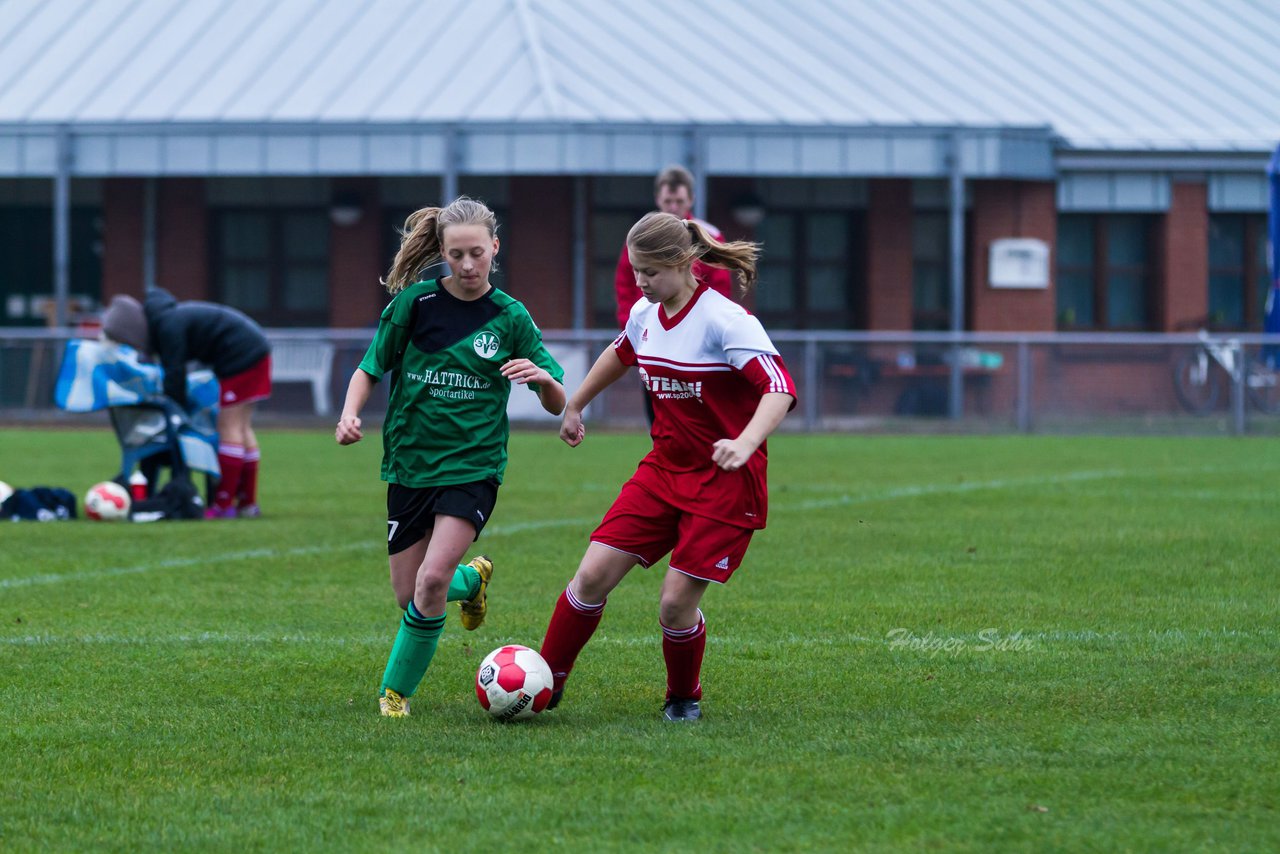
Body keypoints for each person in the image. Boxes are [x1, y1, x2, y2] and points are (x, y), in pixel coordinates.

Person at [540, 211, 797, 722]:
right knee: (589, 576)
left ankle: (684, 697)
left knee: (674, 604)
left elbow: (780, 388)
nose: (639, 281)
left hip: (725, 482)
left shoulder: (727, 321)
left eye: (649, 272)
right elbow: (621, 352)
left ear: (683, 263)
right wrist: (576, 404)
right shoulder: (644, 313)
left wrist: (745, 443)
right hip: (663, 471)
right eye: (635, 270)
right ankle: (544, 681)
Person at [336, 196, 566, 718]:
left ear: (495, 249)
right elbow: (369, 369)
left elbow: (557, 402)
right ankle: (475, 580)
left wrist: (544, 379)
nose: (467, 265)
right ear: (441, 251)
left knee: (431, 582)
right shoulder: (414, 306)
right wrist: (350, 414)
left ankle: (395, 695)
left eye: (477, 253)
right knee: (408, 593)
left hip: (473, 467)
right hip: (410, 465)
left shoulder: (510, 317)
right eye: (456, 254)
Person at [101, 287, 271, 519]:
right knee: (242, 428)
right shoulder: (169, 317)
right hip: (256, 350)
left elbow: (175, 372)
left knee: (228, 427)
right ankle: (247, 504)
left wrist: (174, 407)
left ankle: (223, 506)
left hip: (241, 355)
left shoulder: (168, 326)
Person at [614, 166, 738, 426]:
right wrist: (634, 327)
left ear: (691, 200)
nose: (673, 207)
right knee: (657, 401)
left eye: (679, 201)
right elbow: (625, 285)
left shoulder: (708, 236)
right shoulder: (641, 238)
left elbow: (720, 289)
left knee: (695, 404)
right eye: (668, 201)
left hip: (695, 336)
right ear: (658, 199)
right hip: (653, 332)